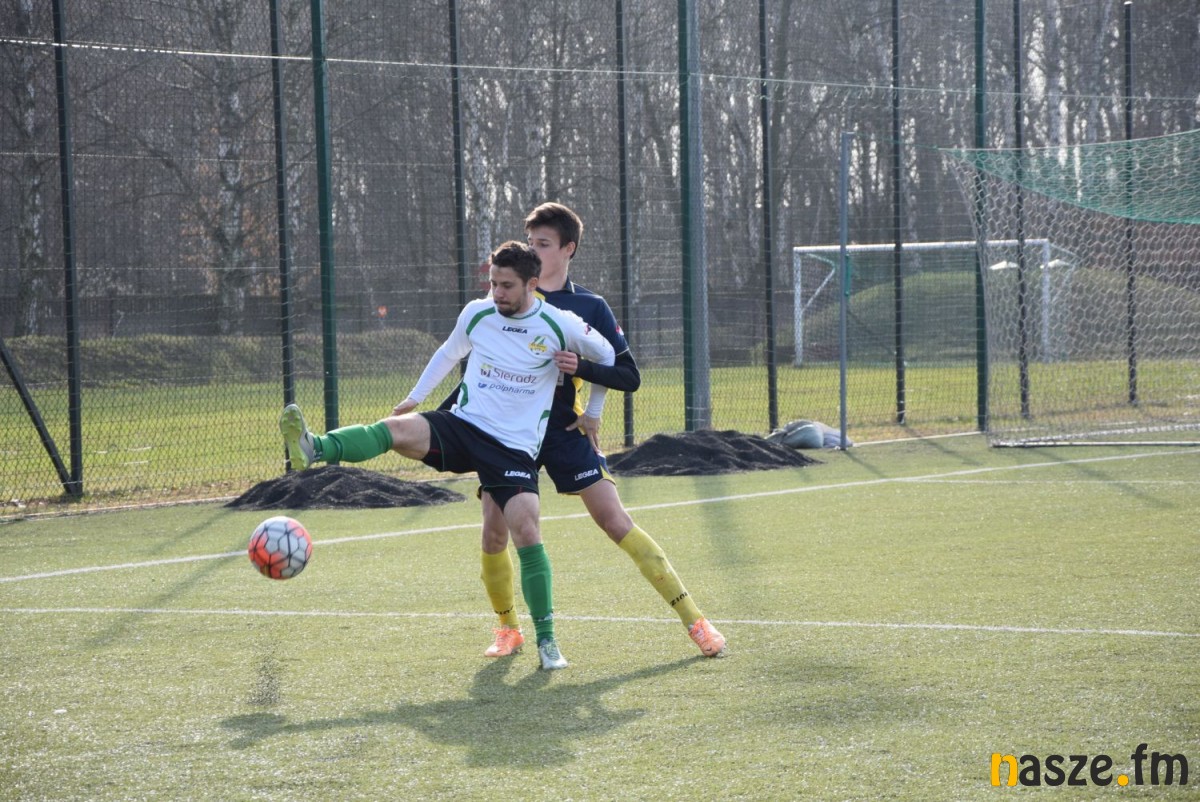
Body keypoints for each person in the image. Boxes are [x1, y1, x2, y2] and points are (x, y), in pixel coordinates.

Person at [279, 240, 615, 671]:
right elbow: (448, 352)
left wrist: (593, 412)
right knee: (396, 429)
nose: (497, 293)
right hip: (464, 425)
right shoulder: (477, 313)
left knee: (525, 530)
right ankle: (315, 447)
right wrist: (414, 398)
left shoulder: (559, 323)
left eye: (507, 286)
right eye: (493, 283)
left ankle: (547, 640)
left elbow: (607, 355)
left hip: (513, 448)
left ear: (532, 284)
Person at [475, 203, 726, 659]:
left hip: (562, 429)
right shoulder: (505, 299)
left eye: (543, 244)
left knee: (615, 520)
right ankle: (508, 629)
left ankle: (696, 621)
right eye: (530, 242)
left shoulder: (589, 306)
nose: (533, 250)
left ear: (568, 249)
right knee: (494, 532)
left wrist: (588, 392)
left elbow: (627, 374)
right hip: (509, 433)